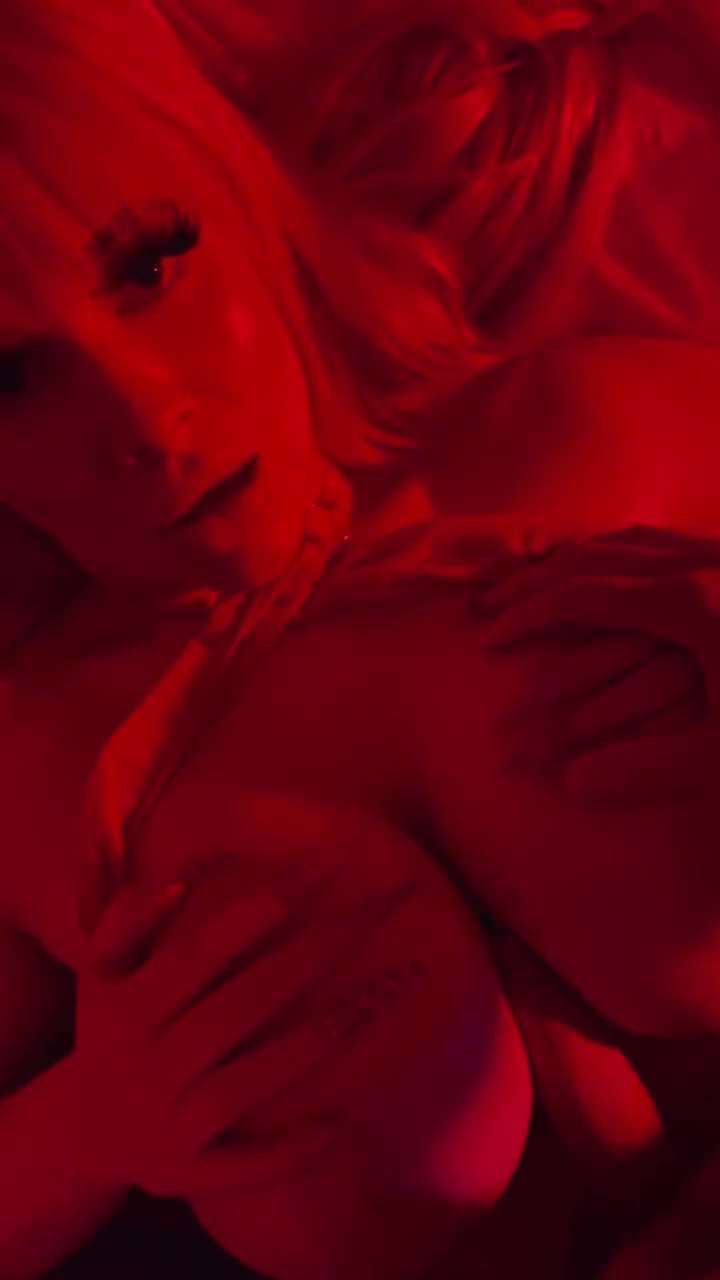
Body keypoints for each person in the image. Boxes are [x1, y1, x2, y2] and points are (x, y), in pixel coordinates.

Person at [1, 2, 719, 1278]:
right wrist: (90, 1127)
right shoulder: (33, 752)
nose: (147, 413)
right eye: (8, 375)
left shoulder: (593, 426)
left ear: (246, 200)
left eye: (152, 265)